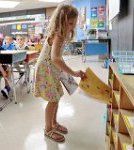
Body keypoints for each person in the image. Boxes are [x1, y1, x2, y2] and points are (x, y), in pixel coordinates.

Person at [33, 4, 86, 143]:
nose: (73, 26)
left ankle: (54, 123)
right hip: (46, 70)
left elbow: (57, 58)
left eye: (74, 23)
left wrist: (63, 72)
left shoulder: (60, 33)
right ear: (61, 20)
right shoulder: (58, 35)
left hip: (52, 69)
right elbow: (55, 58)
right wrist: (73, 72)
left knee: (56, 97)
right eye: (70, 23)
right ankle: (48, 129)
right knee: (53, 100)